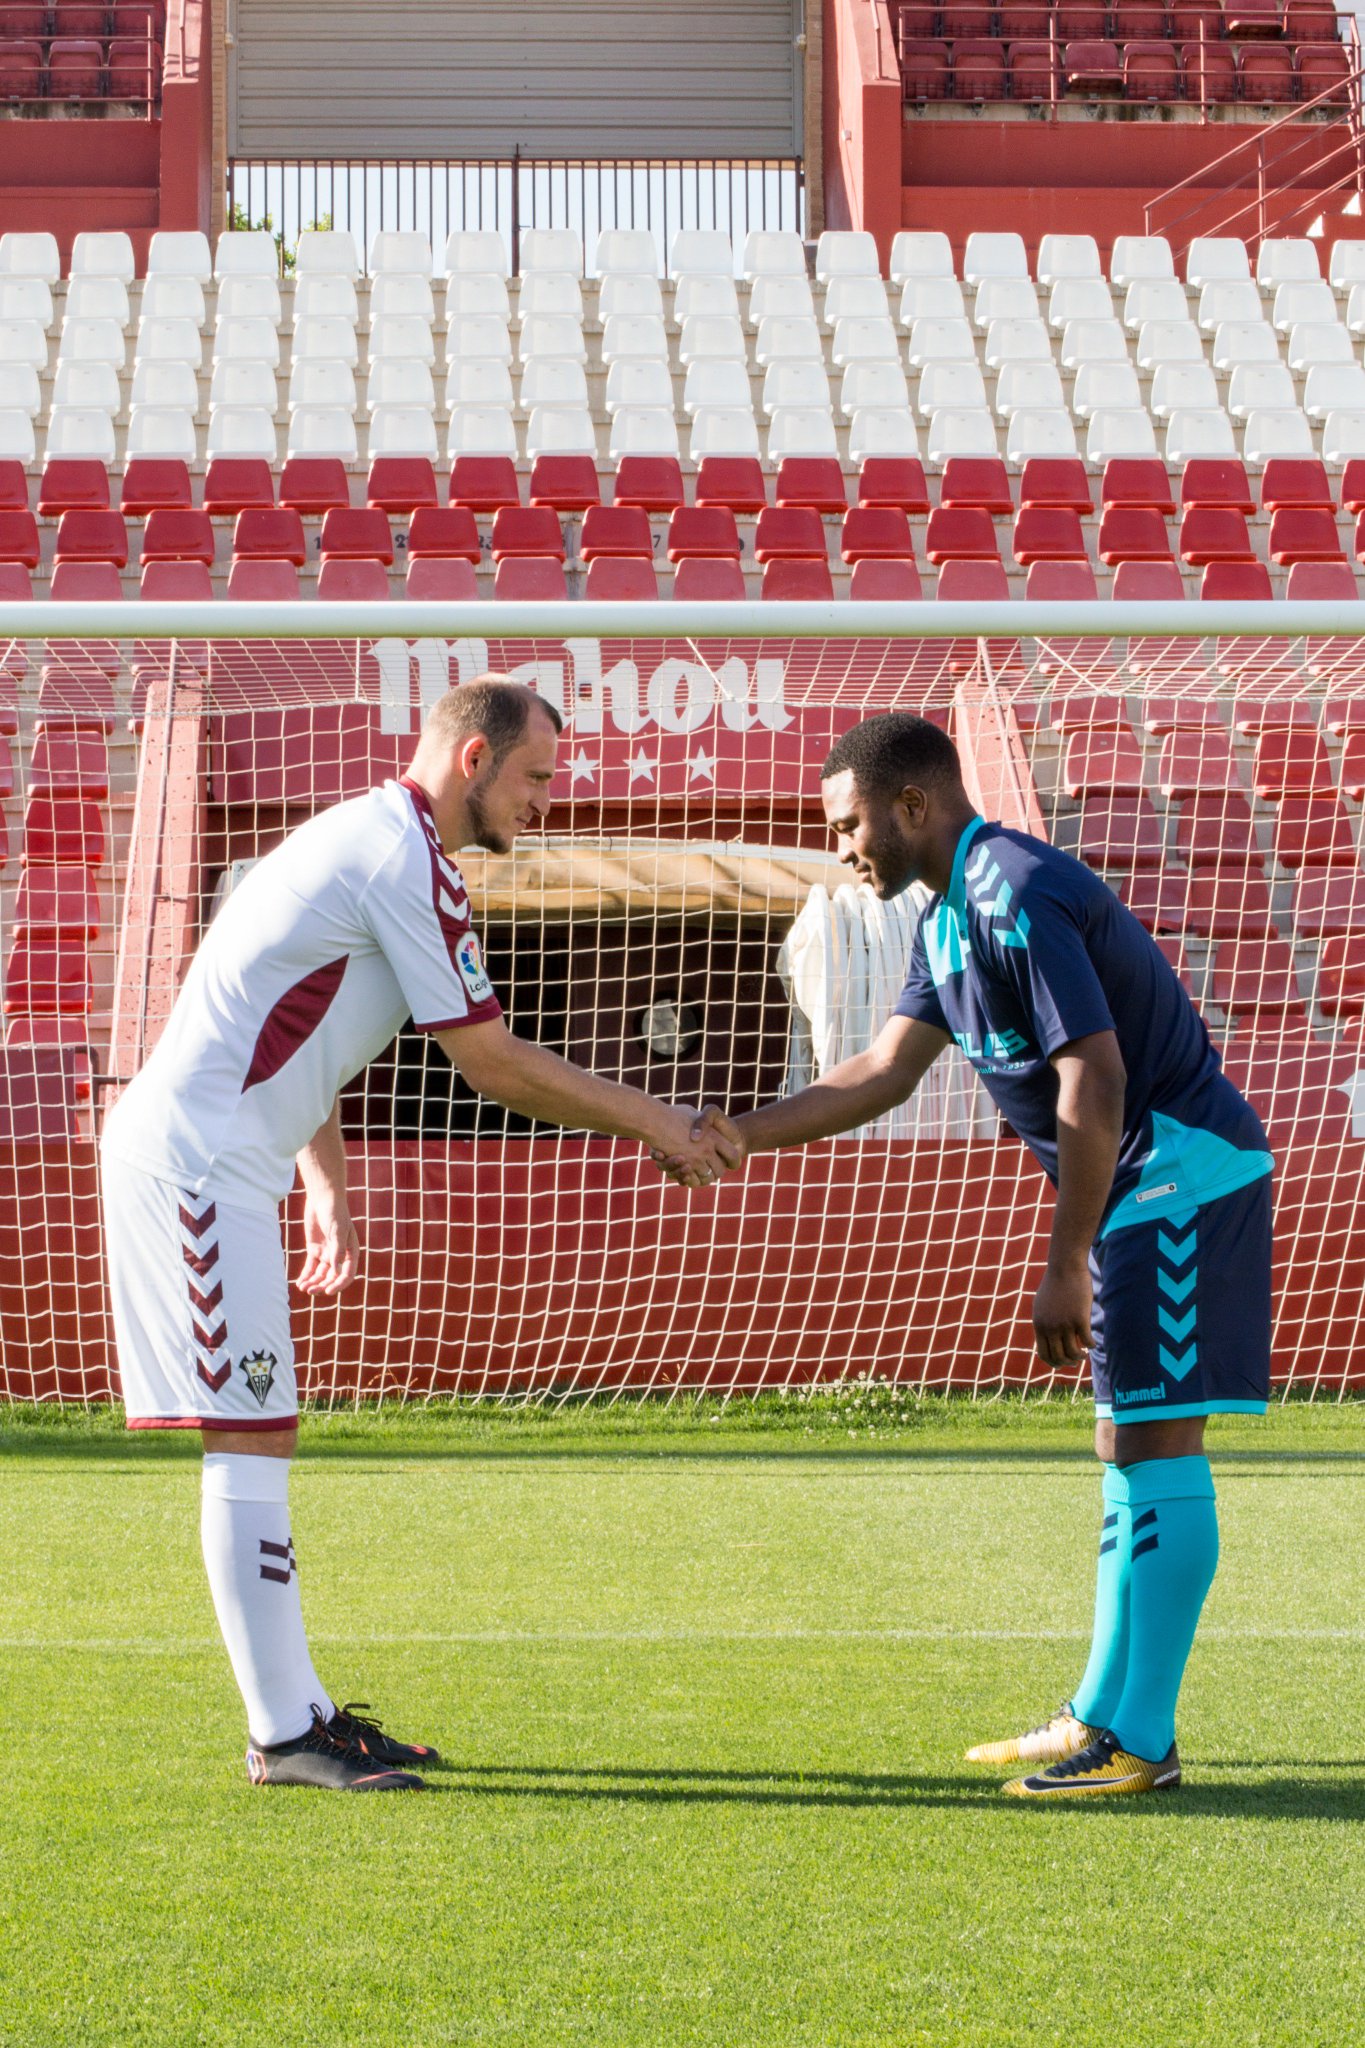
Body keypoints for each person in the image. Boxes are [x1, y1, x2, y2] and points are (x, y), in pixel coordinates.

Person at [101, 677, 739, 1793]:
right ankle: (286, 1731)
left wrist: (328, 1186)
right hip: (194, 1167)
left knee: (260, 1433)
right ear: (474, 756)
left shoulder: (378, 841)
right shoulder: (398, 854)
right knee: (248, 1437)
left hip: (225, 1164)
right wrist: (661, 1120)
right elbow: (490, 1062)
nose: (545, 801)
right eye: (535, 777)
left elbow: (300, 1025)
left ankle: (297, 1715)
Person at [662, 711, 1273, 1799]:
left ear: (913, 804)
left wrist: (1063, 1257)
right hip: (1137, 1189)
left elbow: (1094, 1076)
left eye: (850, 824)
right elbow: (884, 1070)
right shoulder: (947, 919)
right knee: (1125, 1442)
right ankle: (1097, 1710)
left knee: (1158, 1442)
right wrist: (744, 1131)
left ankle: (1142, 1739)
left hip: (1177, 1176)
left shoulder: (1014, 891)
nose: (842, 846)